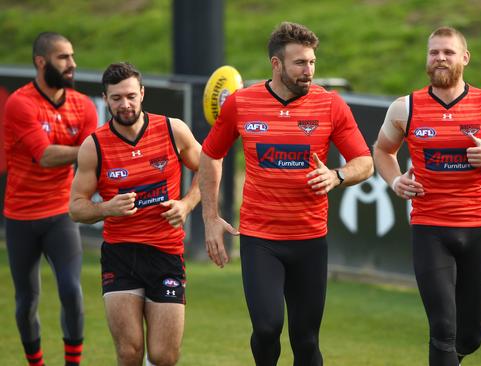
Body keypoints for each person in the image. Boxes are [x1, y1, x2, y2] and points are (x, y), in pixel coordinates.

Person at [199, 21, 373, 366]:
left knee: (306, 341)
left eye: (312, 63)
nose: (308, 71)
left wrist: (337, 176)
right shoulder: (241, 104)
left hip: (310, 239)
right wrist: (210, 217)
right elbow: (210, 154)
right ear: (276, 64)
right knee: (266, 328)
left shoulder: (331, 105)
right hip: (260, 239)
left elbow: (364, 162)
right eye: (299, 63)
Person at [373, 26, 481, 366]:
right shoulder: (405, 107)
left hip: (477, 227)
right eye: (434, 52)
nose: (440, 58)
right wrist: (396, 182)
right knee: (442, 327)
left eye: (448, 52)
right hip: (429, 228)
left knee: (469, 335)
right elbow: (382, 151)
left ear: (465, 58)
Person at [68, 62, 201, 366]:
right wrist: (105, 208)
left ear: (142, 93)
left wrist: (186, 204)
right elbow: (76, 207)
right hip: (121, 254)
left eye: (130, 96)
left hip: (165, 252)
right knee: (129, 353)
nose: (124, 104)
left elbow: (207, 169)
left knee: (163, 356)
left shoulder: (172, 129)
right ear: (105, 99)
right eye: (116, 98)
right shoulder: (94, 146)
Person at [2, 32, 97, 366]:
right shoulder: (20, 103)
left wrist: (86, 153)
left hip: (61, 214)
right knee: (27, 300)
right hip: (21, 217)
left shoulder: (83, 105)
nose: (72, 64)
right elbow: (44, 155)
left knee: (72, 291)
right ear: (41, 62)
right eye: (63, 58)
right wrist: (85, 150)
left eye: (72, 56)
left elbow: (93, 161)